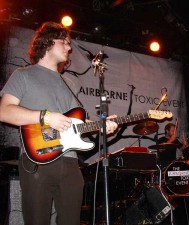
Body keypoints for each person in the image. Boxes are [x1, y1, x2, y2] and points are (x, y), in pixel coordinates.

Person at [0, 22, 118, 225]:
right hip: (36, 160)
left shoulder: (69, 83)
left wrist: (101, 125)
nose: (69, 47)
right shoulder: (23, 75)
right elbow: (4, 111)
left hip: (70, 162)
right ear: (47, 43)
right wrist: (46, 117)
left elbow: (77, 121)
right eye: (64, 42)